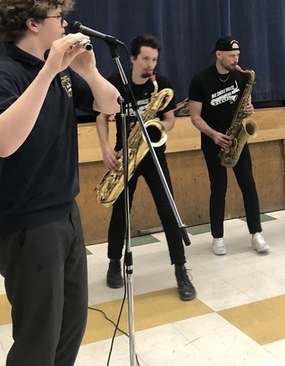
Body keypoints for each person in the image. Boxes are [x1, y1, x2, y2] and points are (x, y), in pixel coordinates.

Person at [0, 0, 121, 366]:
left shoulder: (59, 72)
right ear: (33, 23)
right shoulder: (5, 74)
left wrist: (90, 72)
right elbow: (2, 142)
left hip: (64, 212)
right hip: (27, 221)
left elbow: (113, 103)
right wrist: (50, 69)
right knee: (37, 337)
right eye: (59, 17)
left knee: (71, 324)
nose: (66, 26)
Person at [96, 34, 196, 301]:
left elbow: (171, 119)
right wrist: (106, 147)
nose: (150, 64)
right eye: (145, 59)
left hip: (153, 154)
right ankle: (114, 263)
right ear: (132, 59)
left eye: (154, 59)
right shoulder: (115, 82)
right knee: (121, 213)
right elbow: (101, 117)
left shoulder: (161, 84)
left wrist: (159, 127)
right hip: (124, 156)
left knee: (168, 210)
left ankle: (181, 270)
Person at [188, 37, 269, 255]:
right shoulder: (200, 80)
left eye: (238, 56)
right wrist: (213, 134)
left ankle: (256, 233)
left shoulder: (241, 77)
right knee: (219, 187)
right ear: (218, 54)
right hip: (213, 140)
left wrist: (250, 109)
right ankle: (217, 238)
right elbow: (194, 116)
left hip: (236, 138)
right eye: (231, 56)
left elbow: (246, 104)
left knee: (248, 184)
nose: (236, 60)